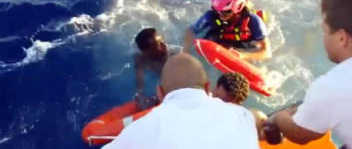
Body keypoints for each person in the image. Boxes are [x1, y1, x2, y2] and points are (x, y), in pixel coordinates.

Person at [102, 53, 261, 149]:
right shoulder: (244, 116)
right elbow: (260, 119)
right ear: (207, 88)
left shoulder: (137, 131)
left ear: (160, 92)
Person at [264, 0, 352, 148]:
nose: (324, 38)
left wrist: (279, 118)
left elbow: (299, 134)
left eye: (325, 31)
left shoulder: (332, 85)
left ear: (342, 38)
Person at [183, 0, 272, 61]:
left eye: (226, 12)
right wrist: (186, 51)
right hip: (219, 41)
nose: (221, 15)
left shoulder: (253, 20)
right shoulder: (211, 15)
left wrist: (242, 55)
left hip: (243, 46)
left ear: (238, 7)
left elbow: (267, 52)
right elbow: (190, 31)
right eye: (217, 10)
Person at [213, 72, 282, 144]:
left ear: (238, 104)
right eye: (217, 99)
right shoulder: (202, 102)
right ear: (215, 88)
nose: (219, 105)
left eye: (227, 104)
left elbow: (273, 139)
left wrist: (272, 127)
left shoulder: (251, 119)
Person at [133, 28, 181, 109]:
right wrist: (140, 95)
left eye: (160, 39)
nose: (162, 44)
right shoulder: (141, 59)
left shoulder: (177, 54)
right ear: (146, 51)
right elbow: (140, 85)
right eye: (157, 43)